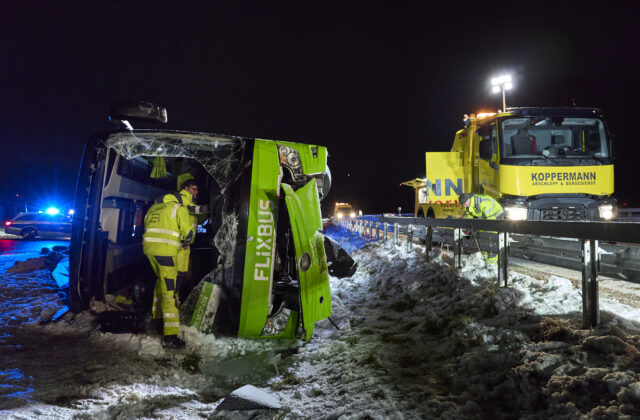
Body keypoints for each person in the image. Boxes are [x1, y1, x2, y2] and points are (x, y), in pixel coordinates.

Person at [143, 192, 195, 349]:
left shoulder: (153, 208)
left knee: (160, 283)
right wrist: (186, 242)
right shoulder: (179, 208)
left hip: (150, 251)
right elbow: (189, 234)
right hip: (166, 253)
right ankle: (170, 335)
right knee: (169, 292)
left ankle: (157, 319)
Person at [458, 193, 504, 264]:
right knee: (481, 235)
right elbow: (470, 220)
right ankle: (485, 257)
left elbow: (491, 221)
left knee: (491, 238)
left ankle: (494, 262)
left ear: (469, 199)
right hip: (485, 217)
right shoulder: (468, 206)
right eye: (463, 204)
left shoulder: (482, 203)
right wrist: (468, 231)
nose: (464, 205)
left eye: (465, 203)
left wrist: (489, 234)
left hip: (496, 214)